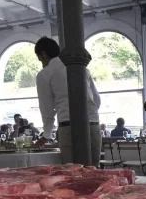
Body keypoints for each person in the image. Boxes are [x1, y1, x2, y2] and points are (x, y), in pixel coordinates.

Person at [34, 37, 103, 166]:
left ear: (43, 54)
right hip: (93, 126)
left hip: (69, 128)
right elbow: (97, 101)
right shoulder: (83, 69)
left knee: (73, 175)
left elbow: (47, 109)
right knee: (95, 173)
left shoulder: (45, 74)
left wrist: (46, 135)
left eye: (39, 58)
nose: (41, 62)